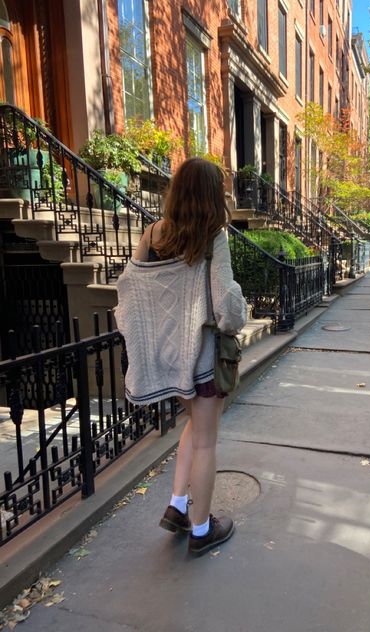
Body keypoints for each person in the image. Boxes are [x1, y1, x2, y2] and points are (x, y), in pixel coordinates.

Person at [115, 157, 247, 556]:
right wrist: (237, 312)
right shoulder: (213, 237)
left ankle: (176, 507)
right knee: (206, 441)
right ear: (212, 196)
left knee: (192, 428)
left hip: (170, 359)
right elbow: (226, 304)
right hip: (203, 361)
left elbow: (130, 289)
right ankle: (203, 530)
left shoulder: (152, 234)